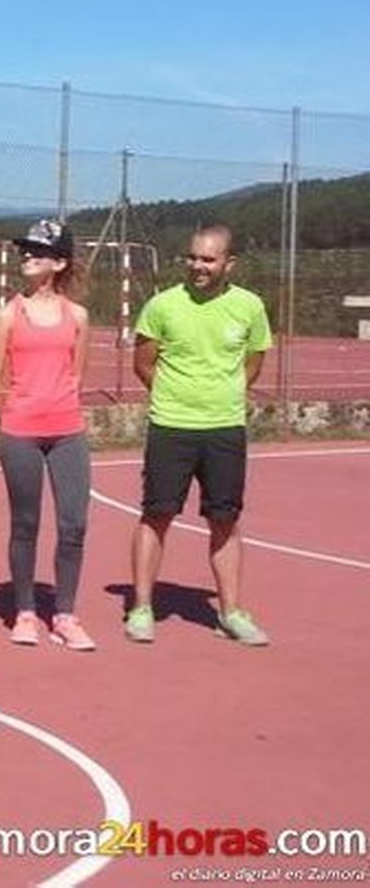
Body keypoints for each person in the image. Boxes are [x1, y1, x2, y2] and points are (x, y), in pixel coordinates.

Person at [126, 223, 272, 647]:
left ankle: (230, 612)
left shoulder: (250, 307)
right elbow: (144, 363)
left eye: (208, 259)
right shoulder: (161, 306)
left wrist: (221, 396)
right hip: (171, 426)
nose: (198, 266)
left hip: (225, 428)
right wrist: (177, 397)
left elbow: (254, 362)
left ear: (229, 263)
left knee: (224, 519)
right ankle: (141, 608)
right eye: (192, 257)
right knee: (157, 514)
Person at [0, 220, 95, 651]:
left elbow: (77, 375)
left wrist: (57, 409)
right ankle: (25, 611)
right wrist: (13, 422)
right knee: (25, 523)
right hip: (20, 434)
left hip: (68, 432)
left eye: (38, 251)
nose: (28, 256)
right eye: (25, 250)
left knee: (74, 525)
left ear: (59, 262)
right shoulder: (8, 315)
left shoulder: (78, 317)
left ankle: (64, 615)